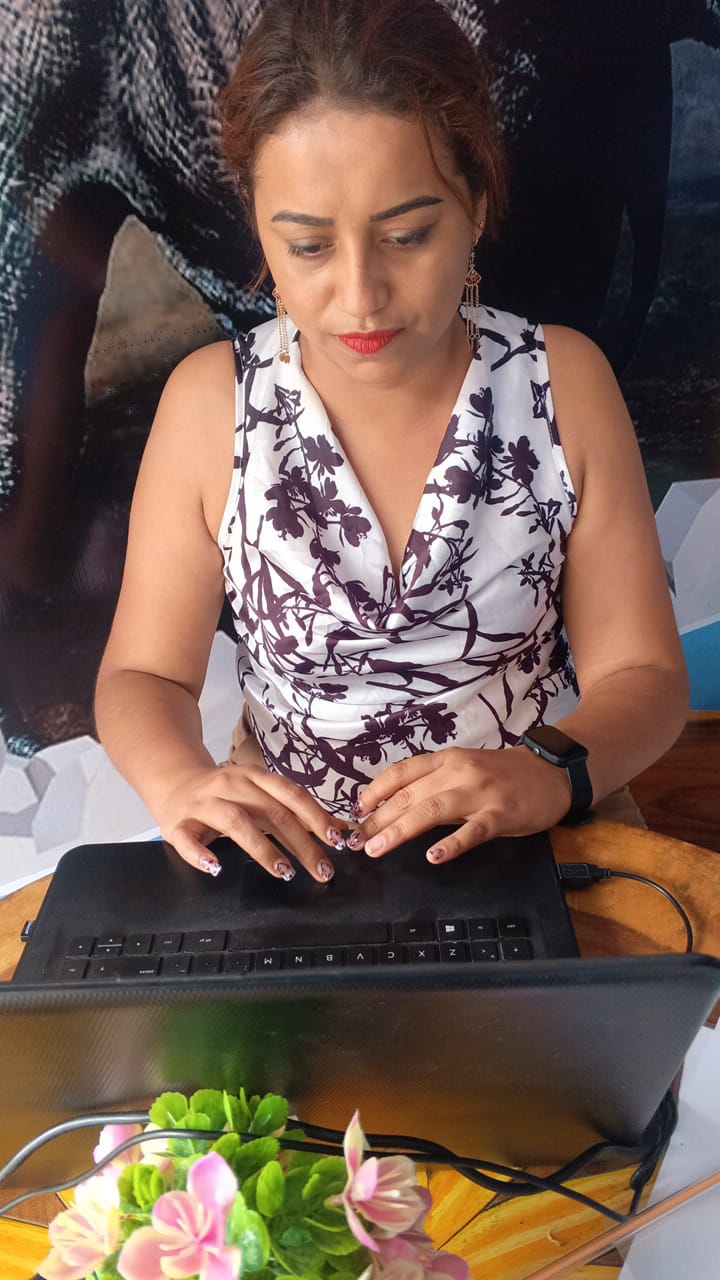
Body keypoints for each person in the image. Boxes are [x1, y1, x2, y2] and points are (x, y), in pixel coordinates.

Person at [95, 0, 689, 886]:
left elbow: (643, 673)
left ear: (476, 204)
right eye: (308, 247)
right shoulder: (211, 405)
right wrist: (181, 781)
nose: (361, 295)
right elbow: (144, 675)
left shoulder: (561, 384)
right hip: (294, 858)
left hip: (537, 828)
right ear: (259, 227)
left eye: (407, 236)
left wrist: (550, 772)